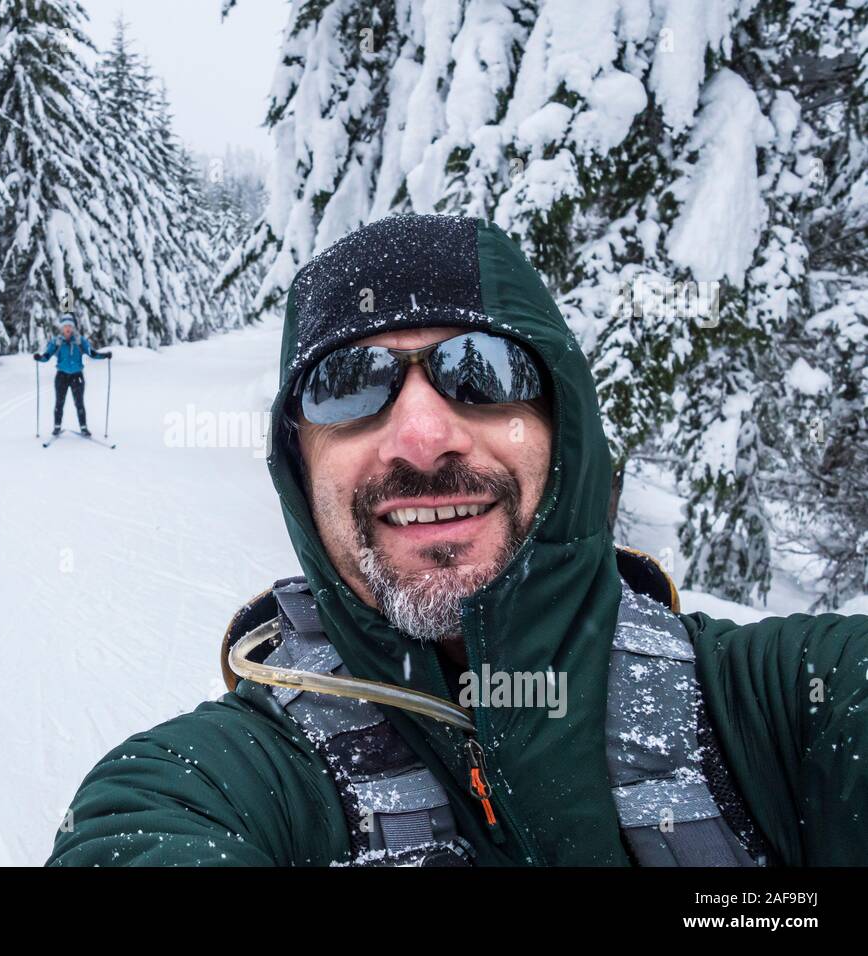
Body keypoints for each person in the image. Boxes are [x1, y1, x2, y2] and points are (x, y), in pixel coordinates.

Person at [47, 213, 868, 867]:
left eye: (483, 371)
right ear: (301, 462)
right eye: (348, 385)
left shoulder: (778, 708)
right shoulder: (217, 784)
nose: (421, 436)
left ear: (562, 426)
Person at [33, 315, 111, 436]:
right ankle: (57, 427)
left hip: (77, 376)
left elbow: (92, 353)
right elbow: (47, 356)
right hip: (61, 376)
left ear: (73, 327)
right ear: (62, 328)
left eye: (70, 326)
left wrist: (104, 355)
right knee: (59, 402)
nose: (67, 328)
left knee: (79, 403)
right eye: (65, 326)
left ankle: (84, 428)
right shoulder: (56, 342)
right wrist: (40, 358)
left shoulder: (80, 341)